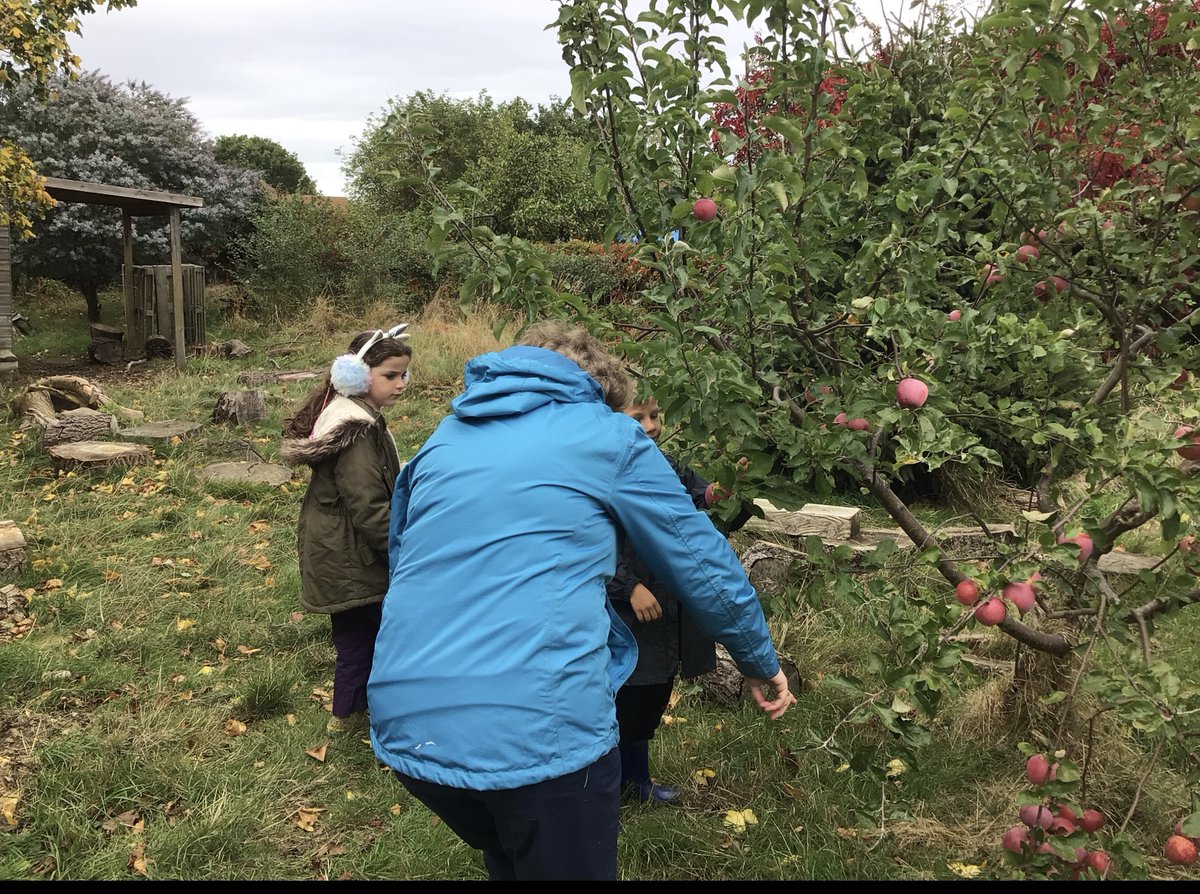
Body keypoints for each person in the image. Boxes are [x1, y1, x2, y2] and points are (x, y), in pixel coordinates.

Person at [367, 320, 795, 881]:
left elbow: (405, 561)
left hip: (407, 719)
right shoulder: (608, 436)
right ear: (599, 390)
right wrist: (758, 660)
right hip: (539, 728)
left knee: (512, 850)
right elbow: (703, 564)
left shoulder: (444, 439)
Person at [609, 395, 753, 805]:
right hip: (622, 612)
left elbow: (699, 500)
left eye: (655, 416)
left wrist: (726, 488)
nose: (652, 426)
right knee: (624, 695)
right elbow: (590, 543)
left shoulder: (665, 466)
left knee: (652, 692)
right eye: (639, 418)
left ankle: (635, 780)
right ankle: (609, 783)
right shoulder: (606, 473)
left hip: (665, 603)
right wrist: (628, 585)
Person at [281, 325, 411, 735]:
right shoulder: (355, 430)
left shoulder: (358, 416)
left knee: (368, 634)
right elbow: (369, 508)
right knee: (360, 639)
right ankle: (348, 718)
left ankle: (362, 710)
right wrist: (406, 550)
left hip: (346, 550)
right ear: (356, 375)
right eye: (390, 375)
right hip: (350, 556)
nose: (401, 384)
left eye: (404, 374)